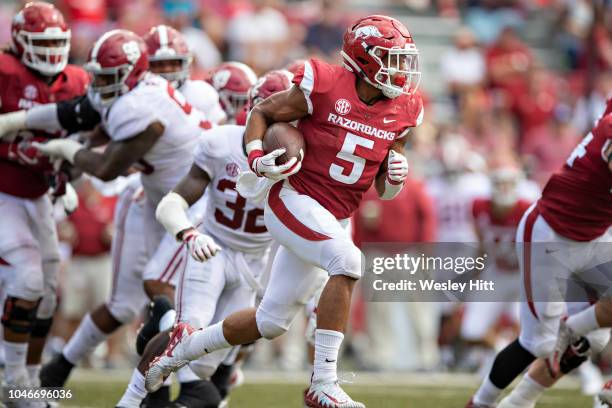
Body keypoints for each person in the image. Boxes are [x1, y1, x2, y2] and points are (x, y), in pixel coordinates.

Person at [144, 15, 423, 408]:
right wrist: (257, 155)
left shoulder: (406, 109)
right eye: (390, 58)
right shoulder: (323, 83)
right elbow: (262, 113)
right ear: (363, 58)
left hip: (332, 215)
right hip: (294, 200)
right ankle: (323, 382)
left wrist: (394, 176)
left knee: (269, 322)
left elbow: (384, 188)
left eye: (403, 60)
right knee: (348, 260)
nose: (401, 70)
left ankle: (177, 353)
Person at [0, 28, 215, 407]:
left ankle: (190, 382)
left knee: (161, 291)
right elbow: (78, 111)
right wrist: (15, 121)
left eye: (106, 77)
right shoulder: (132, 93)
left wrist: (68, 148)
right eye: (96, 75)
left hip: (194, 201)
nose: (98, 84)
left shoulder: (140, 106)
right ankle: (157, 382)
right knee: (146, 298)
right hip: (159, 195)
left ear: (131, 74)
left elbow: (107, 169)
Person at [116, 69, 299, 408]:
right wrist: (188, 234)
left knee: (202, 365)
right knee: (184, 334)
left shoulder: (305, 158)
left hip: (252, 267)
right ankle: (129, 401)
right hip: (213, 249)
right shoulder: (221, 143)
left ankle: (163, 379)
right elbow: (173, 203)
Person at [466, 97, 612, 408]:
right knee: (539, 342)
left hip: (595, 236)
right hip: (552, 236)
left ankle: (519, 401)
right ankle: (480, 403)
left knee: (595, 336)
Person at [0, 2, 88, 398]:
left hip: (39, 197)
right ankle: (13, 377)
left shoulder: (75, 80)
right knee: (29, 278)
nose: (51, 50)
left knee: (49, 292)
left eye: (57, 41)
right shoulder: (5, 73)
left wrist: (65, 177)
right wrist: (20, 152)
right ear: (20, 42)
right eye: (43, 41)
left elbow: (85, 142)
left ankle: (30, 382)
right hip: (4, 191)